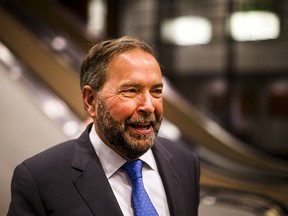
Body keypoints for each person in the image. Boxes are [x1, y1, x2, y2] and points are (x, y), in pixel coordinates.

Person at [7, 36, 200, 216]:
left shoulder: (185, 163)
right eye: (131, 91)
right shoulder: (39, 180)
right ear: (91, 101)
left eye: (156, 91)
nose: (149, 106)